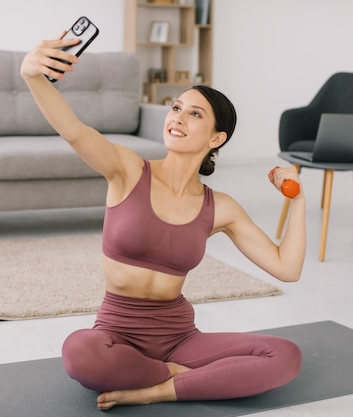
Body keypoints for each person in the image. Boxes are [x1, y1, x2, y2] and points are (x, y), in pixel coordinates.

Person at [20, 35, 306, 411]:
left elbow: (287, 269)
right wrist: (33, 77)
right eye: (176, 107)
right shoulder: (127, 170)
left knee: (285, 355)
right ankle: (178, 375)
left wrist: (298, 199)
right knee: (79, 352)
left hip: (179, 338)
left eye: (195, 114)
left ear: (217, 138)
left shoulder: (220, 207)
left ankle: (160, 386)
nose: (177, 117)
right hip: (116, 333)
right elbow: (74, 130)